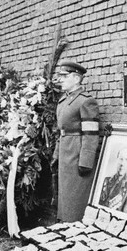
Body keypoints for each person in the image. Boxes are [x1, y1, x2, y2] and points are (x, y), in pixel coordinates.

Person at [51, 60, 100, 222]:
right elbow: (62, 131)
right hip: (66, 150)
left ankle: (74, 225)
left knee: (75, 194)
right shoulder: (64, 100)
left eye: (65, 76)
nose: (61, 80)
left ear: (77, 79)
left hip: (77, 152)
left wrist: (86, 161)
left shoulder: (86, 101)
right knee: (65, 191)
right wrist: (56, 154)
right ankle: (64, 223)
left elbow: (91, 133)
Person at [98, 147, 127, 213]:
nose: (122, 164)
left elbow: (125, 213)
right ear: (117, 160)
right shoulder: (106, 180)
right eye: (121, 159)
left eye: (126, 160)